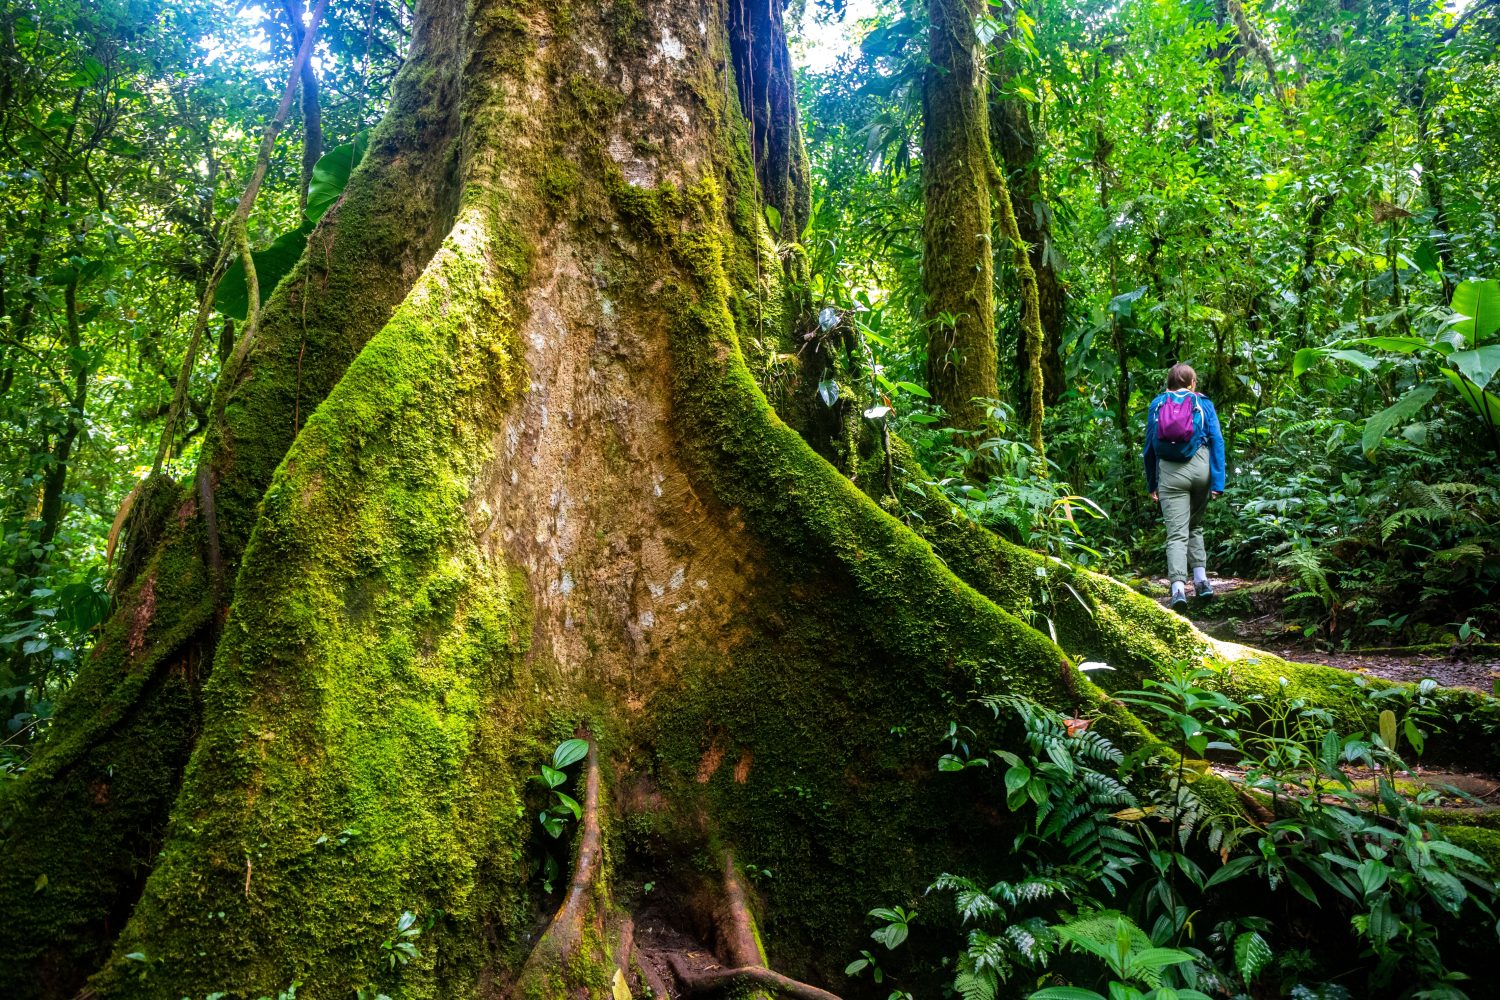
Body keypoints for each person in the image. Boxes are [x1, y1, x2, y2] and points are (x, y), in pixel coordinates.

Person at [1143, 363, 1226, 613]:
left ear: (1168, 383)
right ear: (1192, 383)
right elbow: (1216, 441)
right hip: (1201, 469)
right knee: (1196, 525)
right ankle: (1201, 581)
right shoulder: (1203, 403)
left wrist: (1152, 483)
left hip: (1170, 472)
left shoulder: (1158, 403)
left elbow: (1149, 447)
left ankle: (1178, 589)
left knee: (1176, 533)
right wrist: (1218, 481)